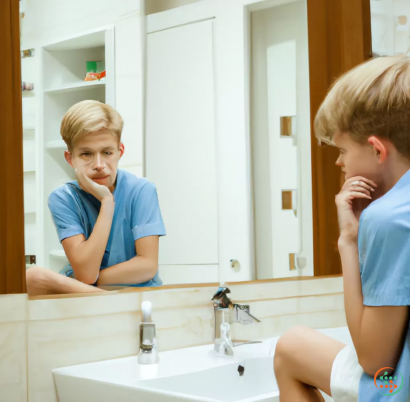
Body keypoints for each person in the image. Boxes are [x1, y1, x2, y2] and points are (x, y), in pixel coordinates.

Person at [274, 55, 410, 401]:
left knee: (289, 349)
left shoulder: (389, 217)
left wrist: (348, 241)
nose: (339, 162)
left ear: (378, 149)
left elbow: (376, 362)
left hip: (396, 388)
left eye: (343, 150)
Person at [26, 100, 166, 296]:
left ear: (120, 152)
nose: (99, 164)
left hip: (131, 295)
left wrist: (82, 283)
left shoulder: (141, 190)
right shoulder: (63, 198)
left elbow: (147, 266)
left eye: (107, 152)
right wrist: (107, 203)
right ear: (70, 158)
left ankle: (107, 301)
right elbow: (86, 273)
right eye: (86, 154)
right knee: (32, 276)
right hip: (85, 296)